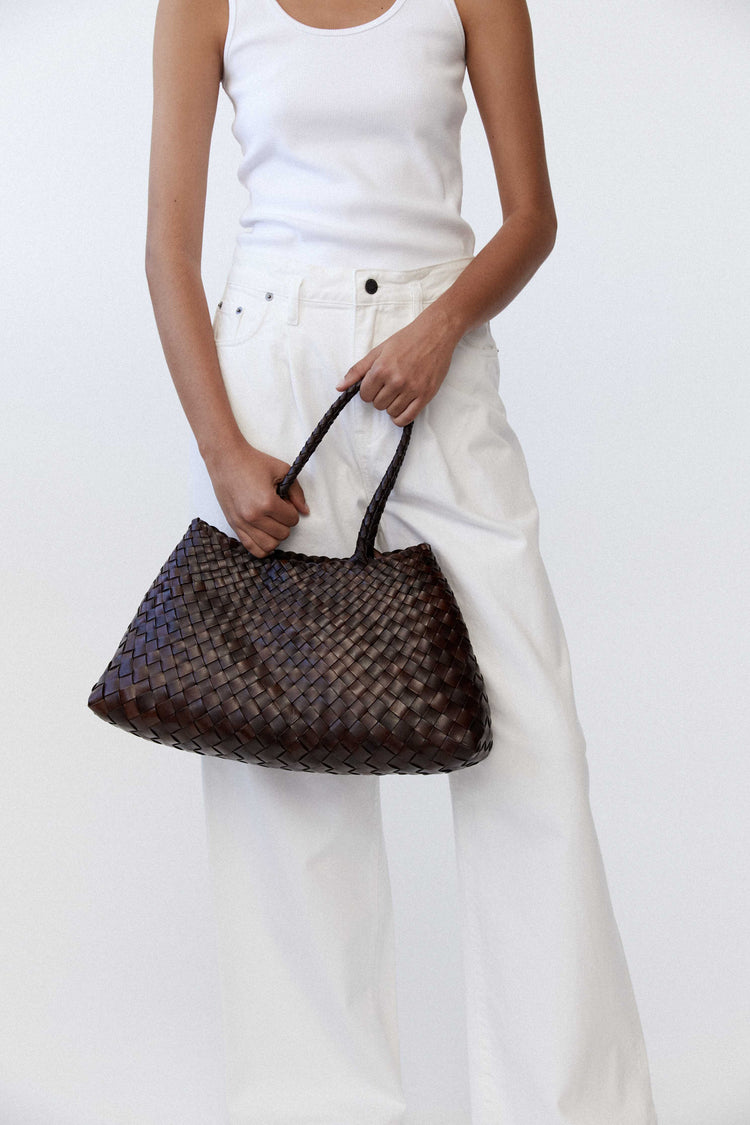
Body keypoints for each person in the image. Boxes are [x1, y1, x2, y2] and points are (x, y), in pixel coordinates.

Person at [145, 0, 659, 1122]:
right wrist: (221, 448)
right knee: (283, 770)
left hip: (437, 362)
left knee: (531, 744)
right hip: (267, 379)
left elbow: (531, 218)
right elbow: (167, 251)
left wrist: (441, 327)